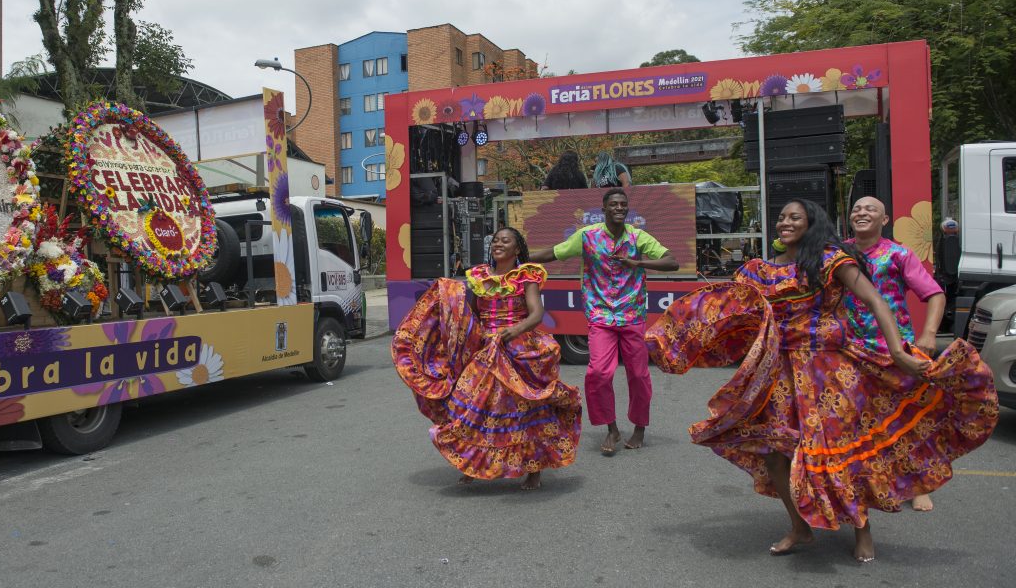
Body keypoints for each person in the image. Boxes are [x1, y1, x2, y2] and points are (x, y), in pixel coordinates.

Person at [646, 199, 997, 563]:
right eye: (781, 217)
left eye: (794, 217)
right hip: (778, 375)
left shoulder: (832, 260)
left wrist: (898, 353)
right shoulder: (758, 270)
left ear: (811, 223)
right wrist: (676, 339)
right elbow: (725, 307)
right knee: (776, 454)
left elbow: (876, 301)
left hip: (829, 371)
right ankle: (800, 528)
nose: (785, 222)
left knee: (844, 452)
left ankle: (862, 527)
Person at [392, 227, 582, 490]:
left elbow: (536, 313)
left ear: (517, 249)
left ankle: (534, 469)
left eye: (506, 241)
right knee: (467, 403)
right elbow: (466, 312)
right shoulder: (478, 276)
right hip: (485, 349)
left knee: (523, 410)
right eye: (495, 241)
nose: (498, 244)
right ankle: (472, 462)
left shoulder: (526, 276)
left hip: (518, 347)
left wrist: (513, 331)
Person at [530, 188, 679, 454]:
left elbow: (672, 262)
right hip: (600, 315)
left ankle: (639, 428)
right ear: (604, 209)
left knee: (639, 374)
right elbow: (554, 253)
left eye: (623, 204)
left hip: (632, 315)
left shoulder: (637, 236)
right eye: (614, 204)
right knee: (598, 373)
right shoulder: (588, 236)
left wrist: (637, 263)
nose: (619, 208)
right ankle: (611, 430)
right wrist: (519, 258)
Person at [846, 196, 946, 513]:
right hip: (850, 349)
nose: (862, 213)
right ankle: (868, 482)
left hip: (895, 350)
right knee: (857, 418)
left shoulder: (898, 254)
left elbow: (934, 294)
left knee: (907, 416)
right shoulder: (838, 253)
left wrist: (929, 334)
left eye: (870, 210)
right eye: (857, 209)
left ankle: (920, 484)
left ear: (885, 220)